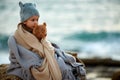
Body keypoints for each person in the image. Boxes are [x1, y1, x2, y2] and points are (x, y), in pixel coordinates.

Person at [7, 1, 86, 80]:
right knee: (43, 69)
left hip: (43, 55)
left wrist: (45, 44)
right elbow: (22, 52)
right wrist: (36, 55)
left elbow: (42, 43)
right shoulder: (19, 35)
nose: (36, 23)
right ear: (24, 21)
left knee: (63, 65)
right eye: (32, 20)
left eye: (37, 20)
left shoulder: (36, 31)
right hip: (33, 57)